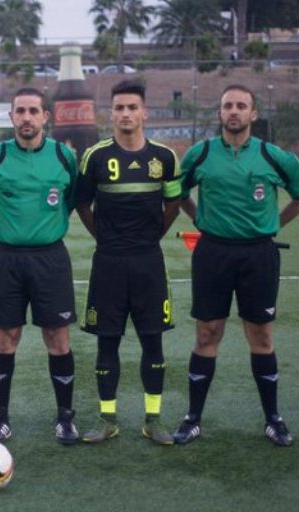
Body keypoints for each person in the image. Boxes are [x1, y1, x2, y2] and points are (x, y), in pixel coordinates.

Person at [173, 84, 299, 447]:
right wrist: (199, 218)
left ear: (253, 114)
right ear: (219, 113)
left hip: (259, 255)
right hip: (213, 253)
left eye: (241, 105)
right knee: (207, 333)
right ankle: (192, 418)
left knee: (261, 335)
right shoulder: (200, 154)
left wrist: (274, 224)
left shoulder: (272, 156)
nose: (234, 111)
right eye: (228, 106)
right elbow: (177, 193)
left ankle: (273, 419)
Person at [75, 80, 181, 446]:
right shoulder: (95, 156)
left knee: (153, 341)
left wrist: (153, 236)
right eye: (119, 108)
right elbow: (81, 203)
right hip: (108, 263)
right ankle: (107, 419)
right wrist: (103, 237)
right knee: (107, 342)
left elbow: (173, 203)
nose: (125, 114)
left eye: (132, 107)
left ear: (144, 112)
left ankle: (154, 419)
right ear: (111, 114)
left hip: (149, 262)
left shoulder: (164, 158)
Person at [0, 87, 80, 445]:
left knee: (58, 338)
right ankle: (1, 419)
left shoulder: (64, 157)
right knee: (6, 338)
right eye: (20, 111)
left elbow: (70, 199)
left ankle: (65, 418)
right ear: (11, 117)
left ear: (45, 116)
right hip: (6, 259)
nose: (26, 118)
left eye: (33, 111)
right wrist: (11, 230)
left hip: (51, 258)